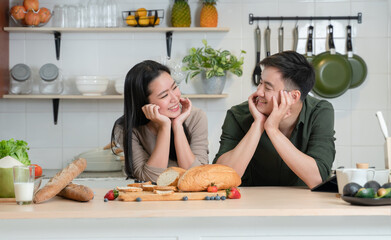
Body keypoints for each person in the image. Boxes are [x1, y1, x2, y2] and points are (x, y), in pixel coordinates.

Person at [213, 51, 335, 189]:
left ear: (294, 97)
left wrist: (272, 129)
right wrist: (258, 125)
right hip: (248, 205)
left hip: (304, 205)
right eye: (260, 83)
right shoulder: (238, 115)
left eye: (268, 87)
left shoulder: (319, 112)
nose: (259, 92)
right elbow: (219, 177)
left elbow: (317, 179)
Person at [111, 60, 209, 182]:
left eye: (175, 87)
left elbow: (197, 175)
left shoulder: (196, 117)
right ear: (144, 103)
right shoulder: (126, 128)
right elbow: (151, 178)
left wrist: (177, 125)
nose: (174, 98)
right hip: (151, 198)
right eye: (164, 96)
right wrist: (165, 127)